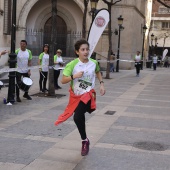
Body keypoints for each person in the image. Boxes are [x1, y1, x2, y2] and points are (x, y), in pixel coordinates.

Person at [54, 39, 106, 156]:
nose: (86, 52)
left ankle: (84, 141)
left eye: (87, 49)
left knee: (77, 116)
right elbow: (63, 80)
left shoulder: (93, 63)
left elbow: (97, 72)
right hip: (76, 96)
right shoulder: (72, 64)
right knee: (78, 117)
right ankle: (85, 140)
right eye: (83, 50)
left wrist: (101, 84)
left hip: (88, 94)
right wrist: (74, 76)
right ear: (77, 52)